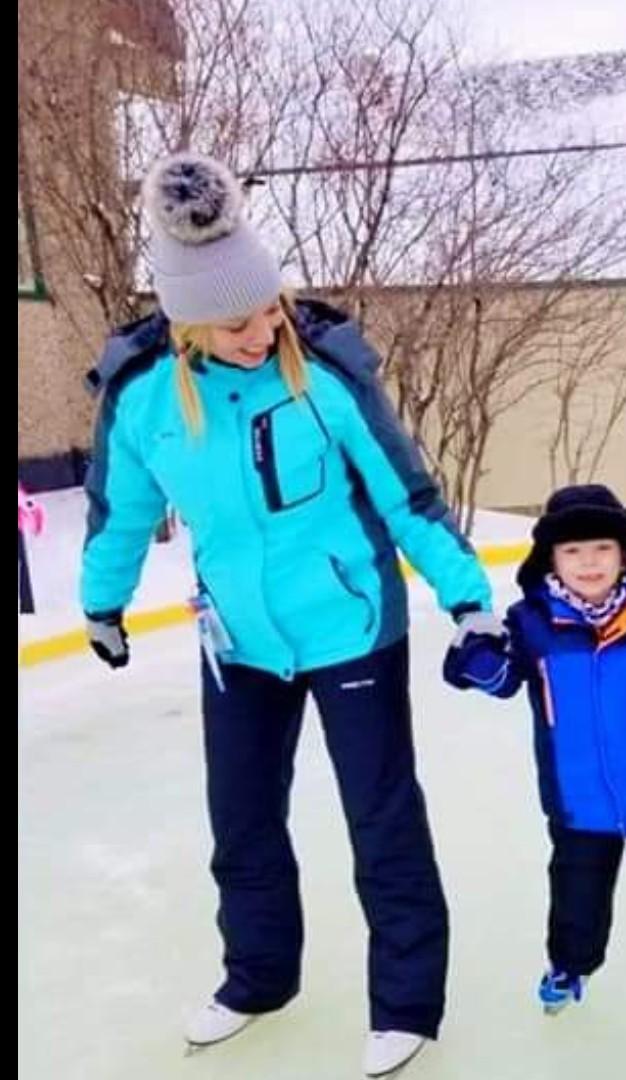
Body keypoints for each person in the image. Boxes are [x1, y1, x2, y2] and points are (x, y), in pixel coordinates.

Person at [80, 151, 500, 1078]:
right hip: (238, 643)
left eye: (270, 309)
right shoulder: (145, 399)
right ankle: (258, 979)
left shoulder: (326, 377)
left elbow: (408, 498)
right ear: (187, 322)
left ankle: (406, 1003)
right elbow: (121, 511)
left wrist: (468, 598)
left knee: (382, 819)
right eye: (237, 322)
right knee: (242, 821)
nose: (262, 332)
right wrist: (101, 602)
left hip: (350, 628)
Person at [444, 484, 626, 1026]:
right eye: (573, 551)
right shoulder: (531, 621)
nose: (589, 562)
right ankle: (568, 966)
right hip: (577, 796)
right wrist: (478, 663)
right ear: (550, 559)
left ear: (625, 554)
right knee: (576, 894)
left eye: (602, 548)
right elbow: (502, 675)